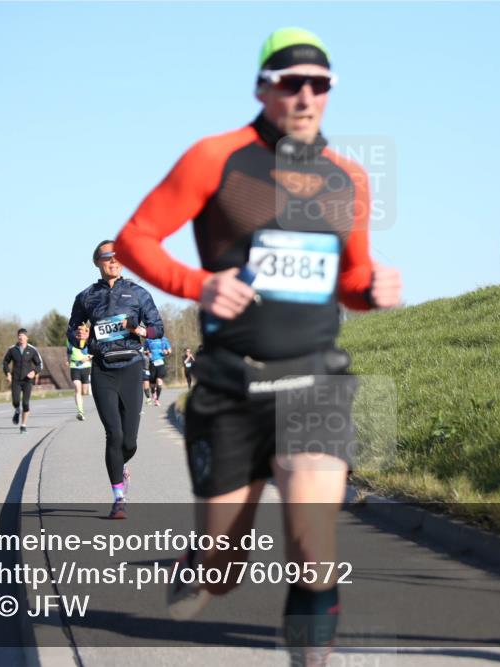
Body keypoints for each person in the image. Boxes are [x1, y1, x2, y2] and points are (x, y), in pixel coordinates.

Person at [114, 27, 402, 665]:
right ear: (262, 88)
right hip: (229, 384)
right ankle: (206, 563)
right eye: (290, 83)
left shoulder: (345, 177)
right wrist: (199, 284)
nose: (305, 95)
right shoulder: (217, 157)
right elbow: (135, 239)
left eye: (318, 85)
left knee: (312, 538)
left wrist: (374, 287)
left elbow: (350, 280)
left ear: (330, 94)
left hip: (316, 377)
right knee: (222, 560)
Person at [67, 240, 165, 520]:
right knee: (115, 434)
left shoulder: (138, 293)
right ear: (97, 262)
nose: (113, 260)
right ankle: (119, 498)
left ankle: (121, 465)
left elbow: (158, 328)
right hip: (102, 369)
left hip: (132, 367)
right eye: (107, 256)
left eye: (118, 256)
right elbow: (73, 331)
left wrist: (138, 329)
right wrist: (79, 338)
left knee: (130, 441)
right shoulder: (85, 297)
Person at [2, 328, 43, 434]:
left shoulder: (32, 350)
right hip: (16, 380)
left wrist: (34, 372)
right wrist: (7, 373)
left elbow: (39, 364)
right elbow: (5, 362)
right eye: (19, 335)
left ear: (26, 337)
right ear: (17, 337)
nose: (21, 337)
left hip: (27, 380)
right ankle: (17, 410)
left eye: (23, 335)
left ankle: (23, 425)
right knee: (15, 401)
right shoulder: (12, 349)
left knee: (25, 403)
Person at [67, 322, 94, 420]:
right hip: (74, 367)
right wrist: (68, 360)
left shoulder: (88, 341)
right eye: (78, 330)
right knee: (77, 389)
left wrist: (87, 358)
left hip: (86, 367)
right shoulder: (71, 341)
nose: (79, 332)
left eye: (82, 330)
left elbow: (93, 352)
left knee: (84, 391)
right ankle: (80, 411)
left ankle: (80, 404)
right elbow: (69, 352)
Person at [144, 334, 172, 406]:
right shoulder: (148, 340)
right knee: (152, 384)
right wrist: (147, 353)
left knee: (159, 381)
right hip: (152, 364)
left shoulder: (164, 339)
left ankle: (157, 400)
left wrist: (167, 352)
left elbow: (169, 350)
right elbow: (144, 351)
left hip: (161, 363)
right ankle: (153, 393)